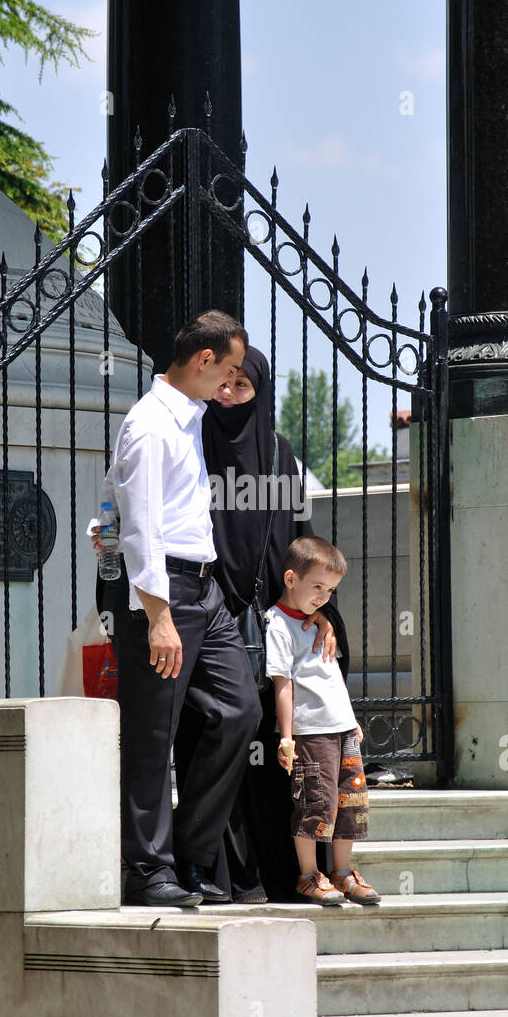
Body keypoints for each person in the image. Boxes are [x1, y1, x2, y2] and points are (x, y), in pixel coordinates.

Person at [93, 311, 262, 908]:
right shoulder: (151, 425)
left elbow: (121, 501)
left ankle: (190, 857)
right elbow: (140, 529)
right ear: (203, 361)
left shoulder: (187, 418)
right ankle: (147, 870)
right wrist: (158, 616)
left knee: (240, 710)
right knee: (151, 733)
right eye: (231, 370)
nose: (232, 383)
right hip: (162, 596)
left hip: (205, 590)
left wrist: (102, 523)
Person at [172, 345, 351, 902]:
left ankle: (290, 872)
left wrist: (318, 613)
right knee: (216, 735)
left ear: (260, 393)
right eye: (223, 383)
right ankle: (215, 871)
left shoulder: (279, 455)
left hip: (272, 624)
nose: (227, 395)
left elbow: (301, 543)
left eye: (241, 387)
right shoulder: (191, 443)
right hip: (206, 615)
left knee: (279, 746)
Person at [267, 535, 381, 906]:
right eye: (317, 586)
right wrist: (287, 736)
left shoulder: (320, 622)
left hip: (343, 728)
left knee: (350, 803)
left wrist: (350, 720)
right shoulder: (278, 625)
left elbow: (331, 676)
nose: (323, 596)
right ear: (289, 579)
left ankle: (343, 873)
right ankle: (308, 874)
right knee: (315, 802)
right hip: (311, 731)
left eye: (330, 590)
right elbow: (282, 685)